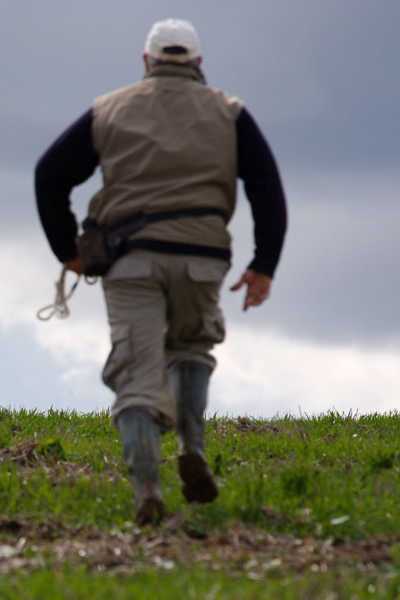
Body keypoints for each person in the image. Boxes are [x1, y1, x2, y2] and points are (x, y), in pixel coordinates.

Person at [34, 18, 287, 525]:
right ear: (197, 63)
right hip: (202, 257)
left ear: (147, 62)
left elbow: (50, 173)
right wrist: (263, 265)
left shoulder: (109, 109)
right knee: (191, 348)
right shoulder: (230, 112)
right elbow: (266, 187)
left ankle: (147, 487)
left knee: (135, 375)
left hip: (130, 260)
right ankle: (192, 444)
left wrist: (70, 251)